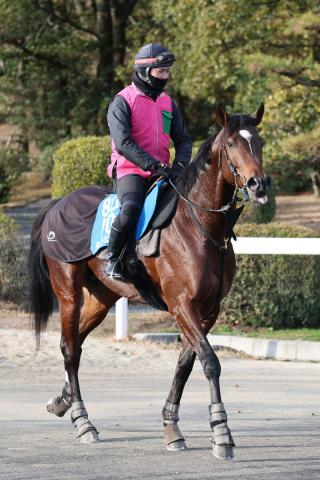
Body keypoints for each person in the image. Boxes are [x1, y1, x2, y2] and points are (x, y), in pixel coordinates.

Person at [106, 42, 192, 281]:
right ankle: (112, 260)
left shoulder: (168, 102)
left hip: (163, 172)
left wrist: (181, 166)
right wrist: (153, 165)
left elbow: (183, 139)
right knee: (131, 208)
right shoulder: (122, 101)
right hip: (129, 170)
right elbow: (123, 143)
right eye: (160, 71)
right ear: (145, 71)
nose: (165, 76)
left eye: (167, 71)